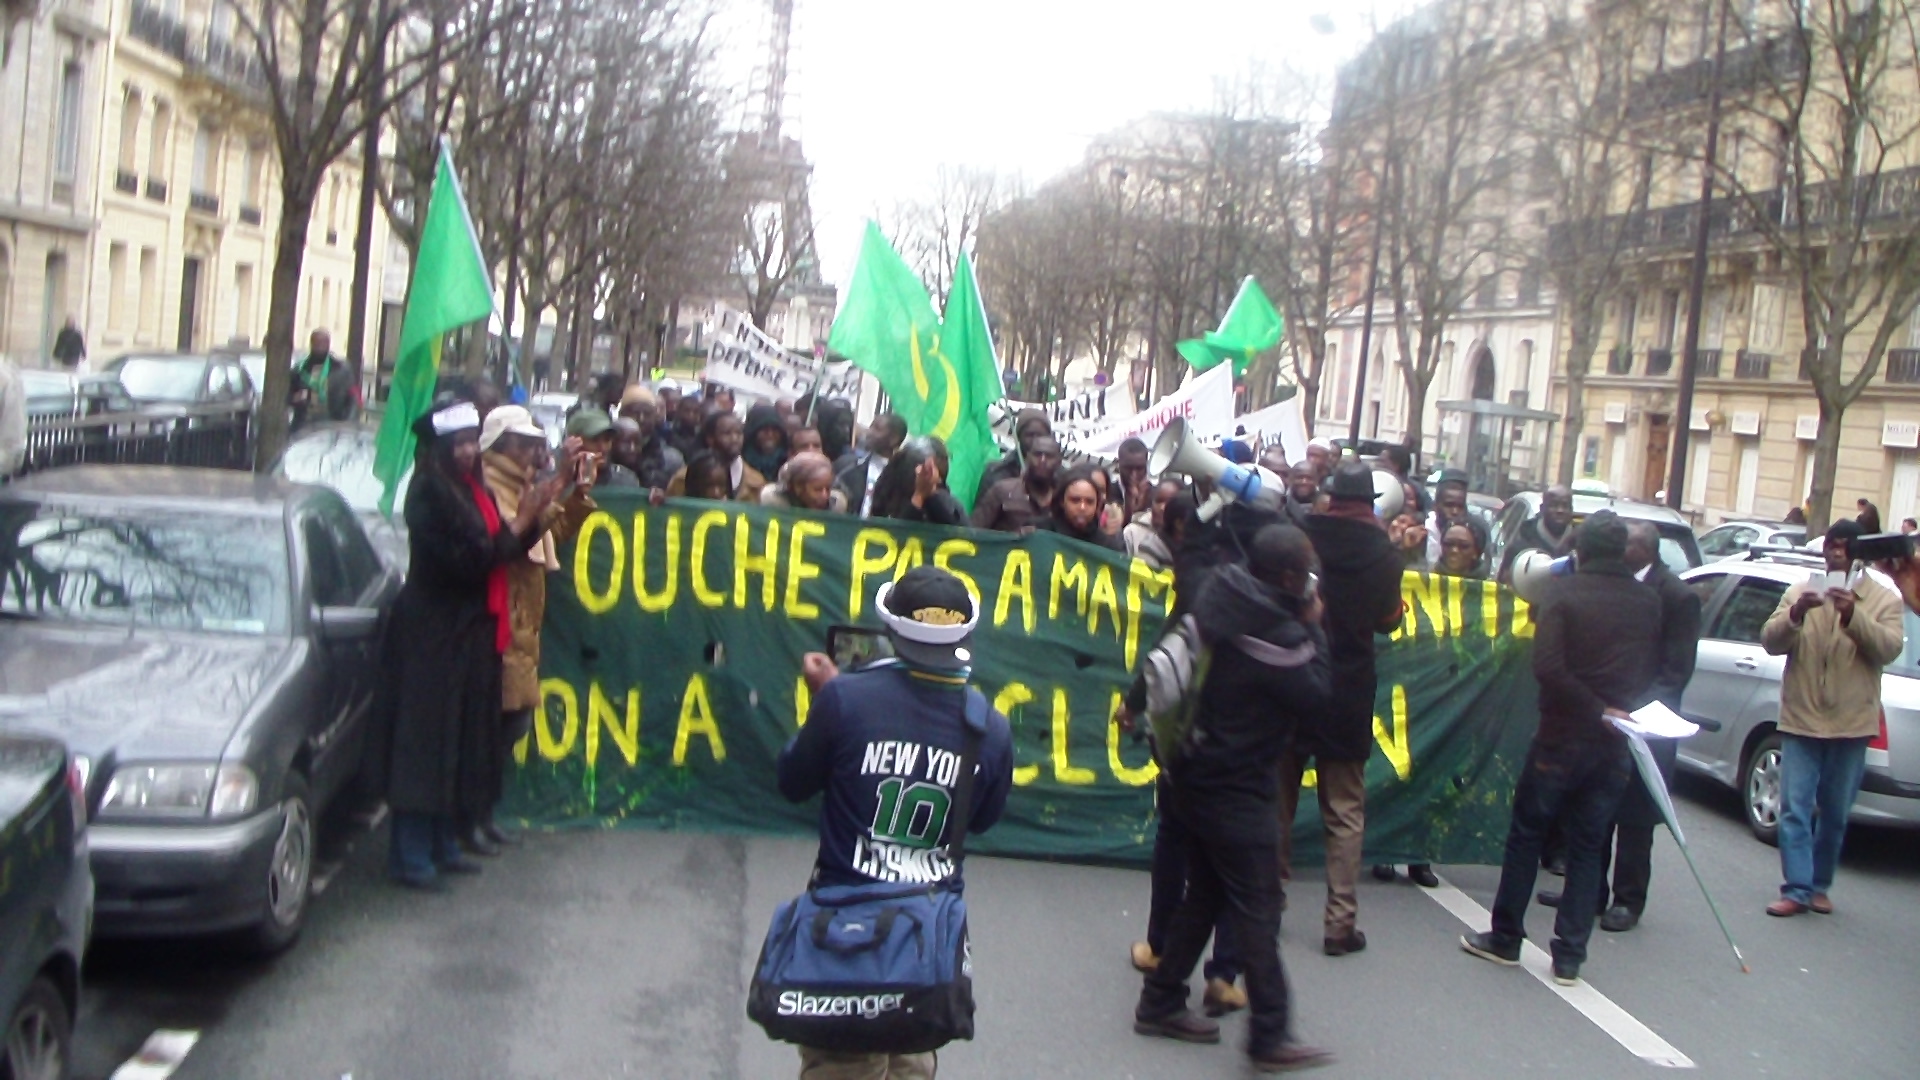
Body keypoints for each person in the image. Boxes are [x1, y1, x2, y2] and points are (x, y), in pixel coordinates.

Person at [778, 566, 1015, 1080]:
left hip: (843, 940)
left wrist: (824, 700)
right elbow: (984, 819)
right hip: (925, 949)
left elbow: (792, 780)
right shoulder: (989, 728)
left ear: (890, 631)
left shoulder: (843, 700)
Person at [1132, 525, 1334, 1073]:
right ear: (1290, 579)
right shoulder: (1280, 637)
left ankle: (1161, 998)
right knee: (1258, 908)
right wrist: (1316, 629)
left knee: (1208, 896)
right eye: (1306, 572)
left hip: (1192, 772)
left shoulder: (1221, 597)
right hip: (1237, 788)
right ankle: (1269, 1033)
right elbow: (1318, 697)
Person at [368, 400, 562, 890]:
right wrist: (521, 522)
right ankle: (410, 854)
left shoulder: (469, 490)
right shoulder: (429, 495)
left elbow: (504, 548)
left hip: (470, 630)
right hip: (432, 634)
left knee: (459, 739)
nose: (467, 452)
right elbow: (474, 559)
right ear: (437, 450)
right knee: (425, 744)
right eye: (457, 445)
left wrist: (534, 517)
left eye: (471, 443)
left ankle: (443, 841)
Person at [1461, 512, 1659, 985]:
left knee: (1528, 834)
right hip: (1614, 742)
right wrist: (1614, 709)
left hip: (1562, 734)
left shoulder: (1562, 594)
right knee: (1588, 846)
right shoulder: (1648, 601)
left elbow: (1548, 667)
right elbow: (1648, 666)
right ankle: (1569, 954)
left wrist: (1594, 709)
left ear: (1582, 551)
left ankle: (1506, 935)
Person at [1538, 520, 1703, 931]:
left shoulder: (1677, 595)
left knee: (1635, 816)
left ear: (1642, 550)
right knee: (1593, 808)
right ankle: (1587, 890)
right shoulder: (1615, 587)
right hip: (1606, 717)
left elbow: (1677, 667)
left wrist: (1636, 707)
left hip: (1647, 721)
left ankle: (1628, 898)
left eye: (1623, 545)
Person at [1285, 461, 1408, 954]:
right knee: (1345, 808)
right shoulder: (1385, 554)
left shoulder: (1301, 536)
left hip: (1292, 675)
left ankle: (1265, 904)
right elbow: (1388, 620)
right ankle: (1340, 921)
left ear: (1331, 495)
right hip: (1349, 686)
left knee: (1278, 798)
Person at [1760, 519, 1904, 917]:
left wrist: (1853, 615)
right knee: (1794, 807)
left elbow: (1889, 649)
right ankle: (1797, 888)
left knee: (1836, 812)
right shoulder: (1800, 590)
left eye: (1843, 547)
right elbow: (1769, 640)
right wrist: (1795, 615)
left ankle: (1820, 884)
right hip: (1802, 719)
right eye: (1831, 546)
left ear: (1858, 554)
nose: (1835, 553)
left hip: (1850, 724)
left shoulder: (1882, 600)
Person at [477, 406, 595, 853]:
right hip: (504, 617)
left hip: (524, 620)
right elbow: (515, 537)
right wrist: (553, 491)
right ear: (500, 444)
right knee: (495, 727)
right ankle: (473, 815)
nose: (531, 449)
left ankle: (482, 813)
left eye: (532, 441)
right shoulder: (495, 487)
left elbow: (551, 534)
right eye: (522, 442)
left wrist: (577, 498)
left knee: (511, 723)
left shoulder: (523, 485)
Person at [667, 410, 766, 502]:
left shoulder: (756, 483)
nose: (734, 439)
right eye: (727, 433)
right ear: (710, 439)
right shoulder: (682, 479)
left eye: (739, 433)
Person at [971, 436, 1062, 534]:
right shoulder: (1002, 491)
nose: (1042, 461)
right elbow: (973, 532)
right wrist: (1014, 536)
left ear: (1059, 462)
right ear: (1027, 457)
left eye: (1049, 456)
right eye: (1037, 454)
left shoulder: (1064, 500)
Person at [871, 437, 966, 526]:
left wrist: (930, 494)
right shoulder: (888, 491)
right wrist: (918, 497)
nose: (923, 475)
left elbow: (962, 535)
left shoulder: (947, 504)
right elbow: (899, 535)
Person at [1035, 464, 1125, 551]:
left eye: (1089, 502)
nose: (1082, 507)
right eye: (1075, 500)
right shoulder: (1037, 531)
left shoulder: (1108, 546)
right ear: (1062, 501)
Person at [832, 412, 907, 516]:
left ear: (893, 439)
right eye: (871, 427)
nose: (869, 432)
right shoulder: (850, 467)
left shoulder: (902, 476)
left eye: (877, 429)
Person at [1500, 485, 1576, 583]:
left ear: (1571, 510)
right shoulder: (1519, 550)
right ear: (1542, 508)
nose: (1560, 510)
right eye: (1554, 505)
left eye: (1565, 506)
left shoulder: (1581, 548)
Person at [976, 409, 1053, 503]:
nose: (1035, 441)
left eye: (1040, 435)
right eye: (1029, 435)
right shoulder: (996, 473)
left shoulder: (1061, 476)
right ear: (1018, 437)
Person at [291, 329, 357, 427]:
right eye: (316, 343)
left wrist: (346, 421)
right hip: (305, 423)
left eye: (322, 343)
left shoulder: (341, 369)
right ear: (311, 344)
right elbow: (289, 395)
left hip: (332, 423)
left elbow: (353, 397)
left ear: (328, 345)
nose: (319, 347)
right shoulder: (300, 369)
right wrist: (295, 398)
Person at [566, 409, 641, 489]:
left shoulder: (625, 480)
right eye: (594, 440)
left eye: (607, 440)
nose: (603, 448)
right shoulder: (560, 484)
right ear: (575, 444)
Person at [1124, 478, 1185, 570]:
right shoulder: (1132, 532)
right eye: (1158, 501)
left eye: (1169, 502)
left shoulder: (1187, 536)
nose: (1162, 507)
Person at [760, 451, 847, 512]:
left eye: (828, 489)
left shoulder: (836, 506)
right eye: (817, 490)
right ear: (798, 487)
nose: (825, 496)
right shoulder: (774, 505)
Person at [613, 415, 683, 491]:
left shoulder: (651, 473)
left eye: (637, 443)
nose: (632, 448)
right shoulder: (602, 472)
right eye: (626, 442)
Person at [1423, 469, 1472, 566]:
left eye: (1460, 506)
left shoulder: (1472, 537)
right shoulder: (1422, 531)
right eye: (1449, 505)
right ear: (1436, 505)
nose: (1455, 512)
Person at [743, 403, 790, 482]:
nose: (770, 435)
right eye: (764, 430)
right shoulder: (740, 459)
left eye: (775, 430)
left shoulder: (787, 459)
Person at [1115, 438, 1153, 521]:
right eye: (1128, 468)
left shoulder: (1156, 495)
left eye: (1139, 468)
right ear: (1118, 464)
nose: (1134, 474)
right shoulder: (1107, 492)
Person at [666, 393, 706, 460]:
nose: (691, 415)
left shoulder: (702, 435)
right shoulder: (669, 433)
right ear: (679, 411)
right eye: (687, 411)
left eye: (695, 412)